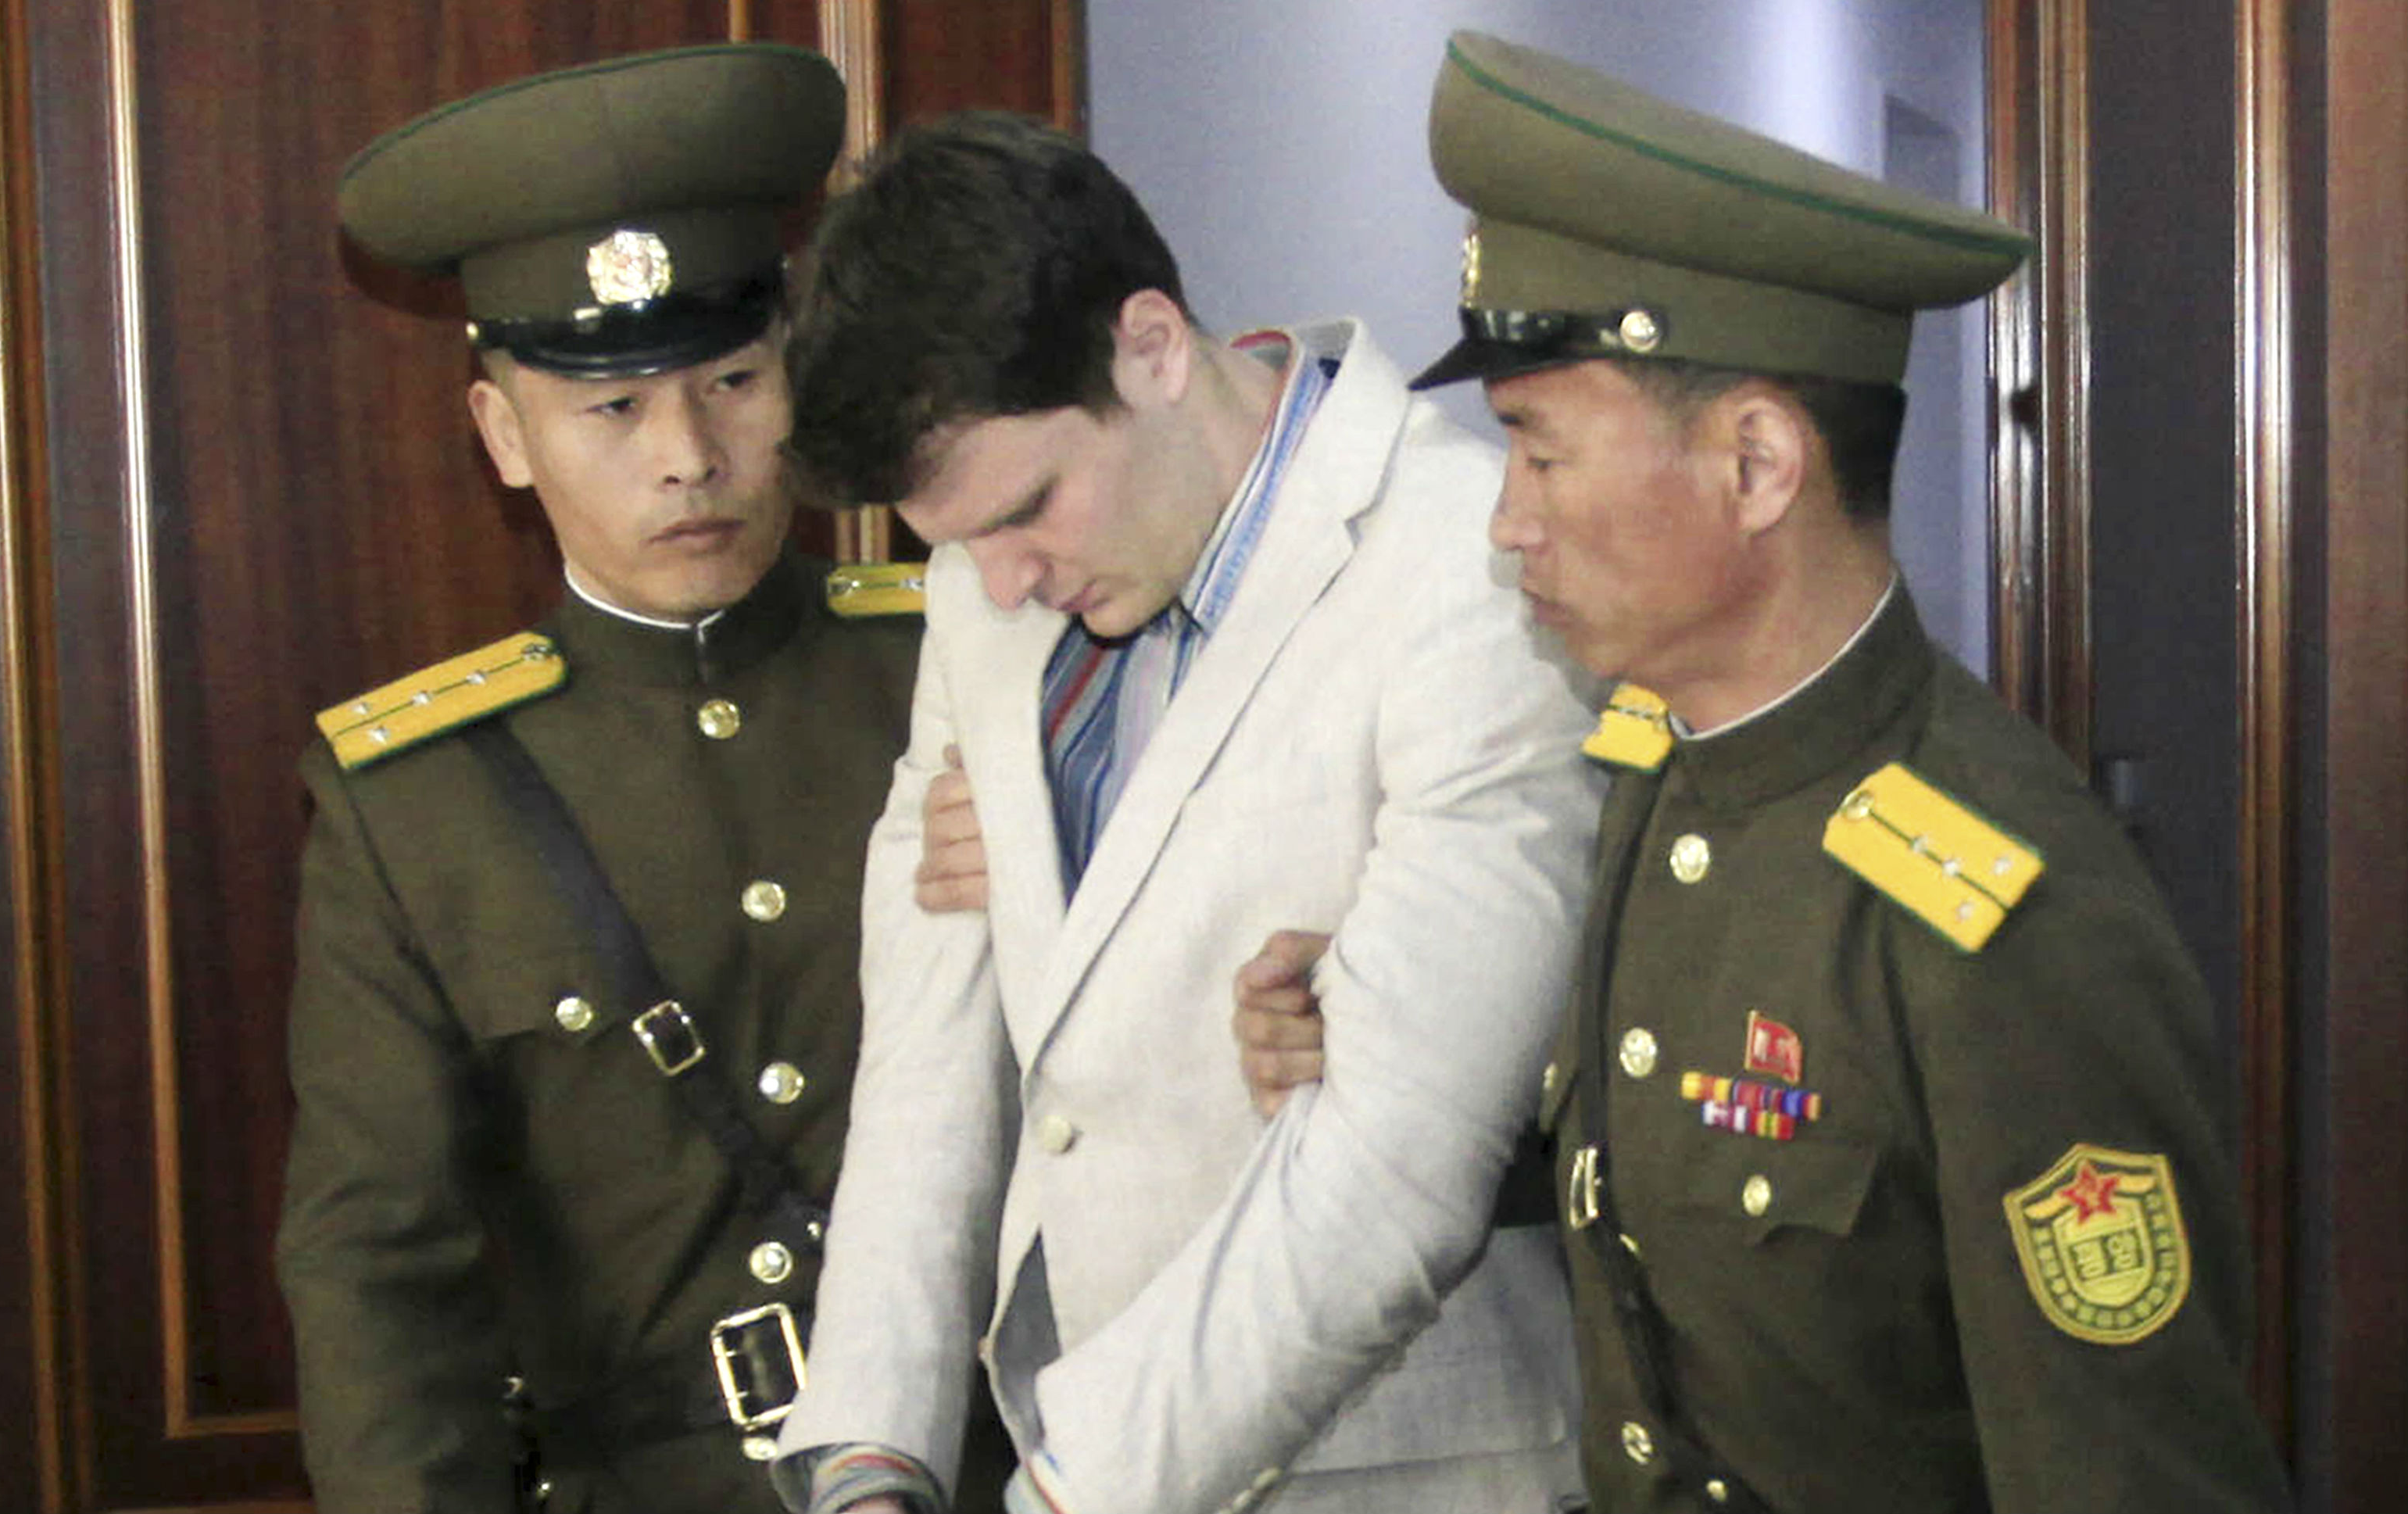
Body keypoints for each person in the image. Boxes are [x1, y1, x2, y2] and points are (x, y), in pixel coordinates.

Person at [1251, 32, 2295, 1513]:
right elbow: (1674, 1209)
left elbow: (2129, 1473)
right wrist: (1377, 1038)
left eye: (1540, 453)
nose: (1507, 521)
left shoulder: (2004, 923)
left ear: (1755, 466)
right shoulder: (1660, 765)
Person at [767, 113, 1605, 1514]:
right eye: (957, 544)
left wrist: (1067, 1490)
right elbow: (931, 1042)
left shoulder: (1466, 569)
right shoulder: (990, 581)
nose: (1001, 581)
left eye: (1028, 508)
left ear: (1152, 347)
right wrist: (872, 1450)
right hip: (1068, 1440)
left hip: (1391, 1472)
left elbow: (1394, 1169)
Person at [274, 45, 1008, 1513]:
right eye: (611, 409)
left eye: (733, 380)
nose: (688, 456)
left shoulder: (968, 667)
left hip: (995, 1460)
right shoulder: (417, 802)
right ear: (504, 436)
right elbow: (378, 1274)